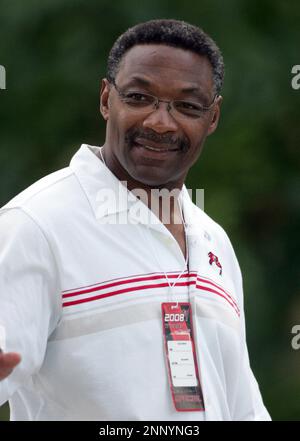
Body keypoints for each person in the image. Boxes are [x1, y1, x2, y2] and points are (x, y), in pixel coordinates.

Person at [0, 19, 271, 421]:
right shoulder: (35, 225)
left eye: (187, 106)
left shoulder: (213, 242)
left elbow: (243, 407)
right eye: (140, 97)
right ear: (107, 99)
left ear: (212, 118)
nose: (160, 122)